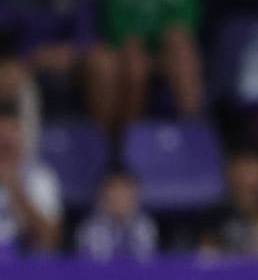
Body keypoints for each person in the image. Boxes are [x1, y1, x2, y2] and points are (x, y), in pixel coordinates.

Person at [95, 0, 203, 130]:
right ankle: (128, 136)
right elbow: (122, 37)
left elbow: (182, 31)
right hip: (130, 58)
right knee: (135, 63)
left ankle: (193, 128)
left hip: (170, 57)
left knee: (181, 48)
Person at [0, 96, 61, 254]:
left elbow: (50, 239)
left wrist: (16, 189)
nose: (5, 140)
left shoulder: (41, 178)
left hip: (25, 266)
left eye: (11, 135)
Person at [198, 149, 258, 257]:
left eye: (257, 173)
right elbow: (207, 259)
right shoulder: (214, 217)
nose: (251, 181)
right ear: (230, 175)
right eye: (245, 172)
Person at [75, 168, 158, 260]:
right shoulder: (91, 228)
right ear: (102, 200)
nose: (120, 202)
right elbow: (94, 262)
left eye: (125, 197)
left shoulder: (144, 225)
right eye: (115, 197)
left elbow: (145, 261)